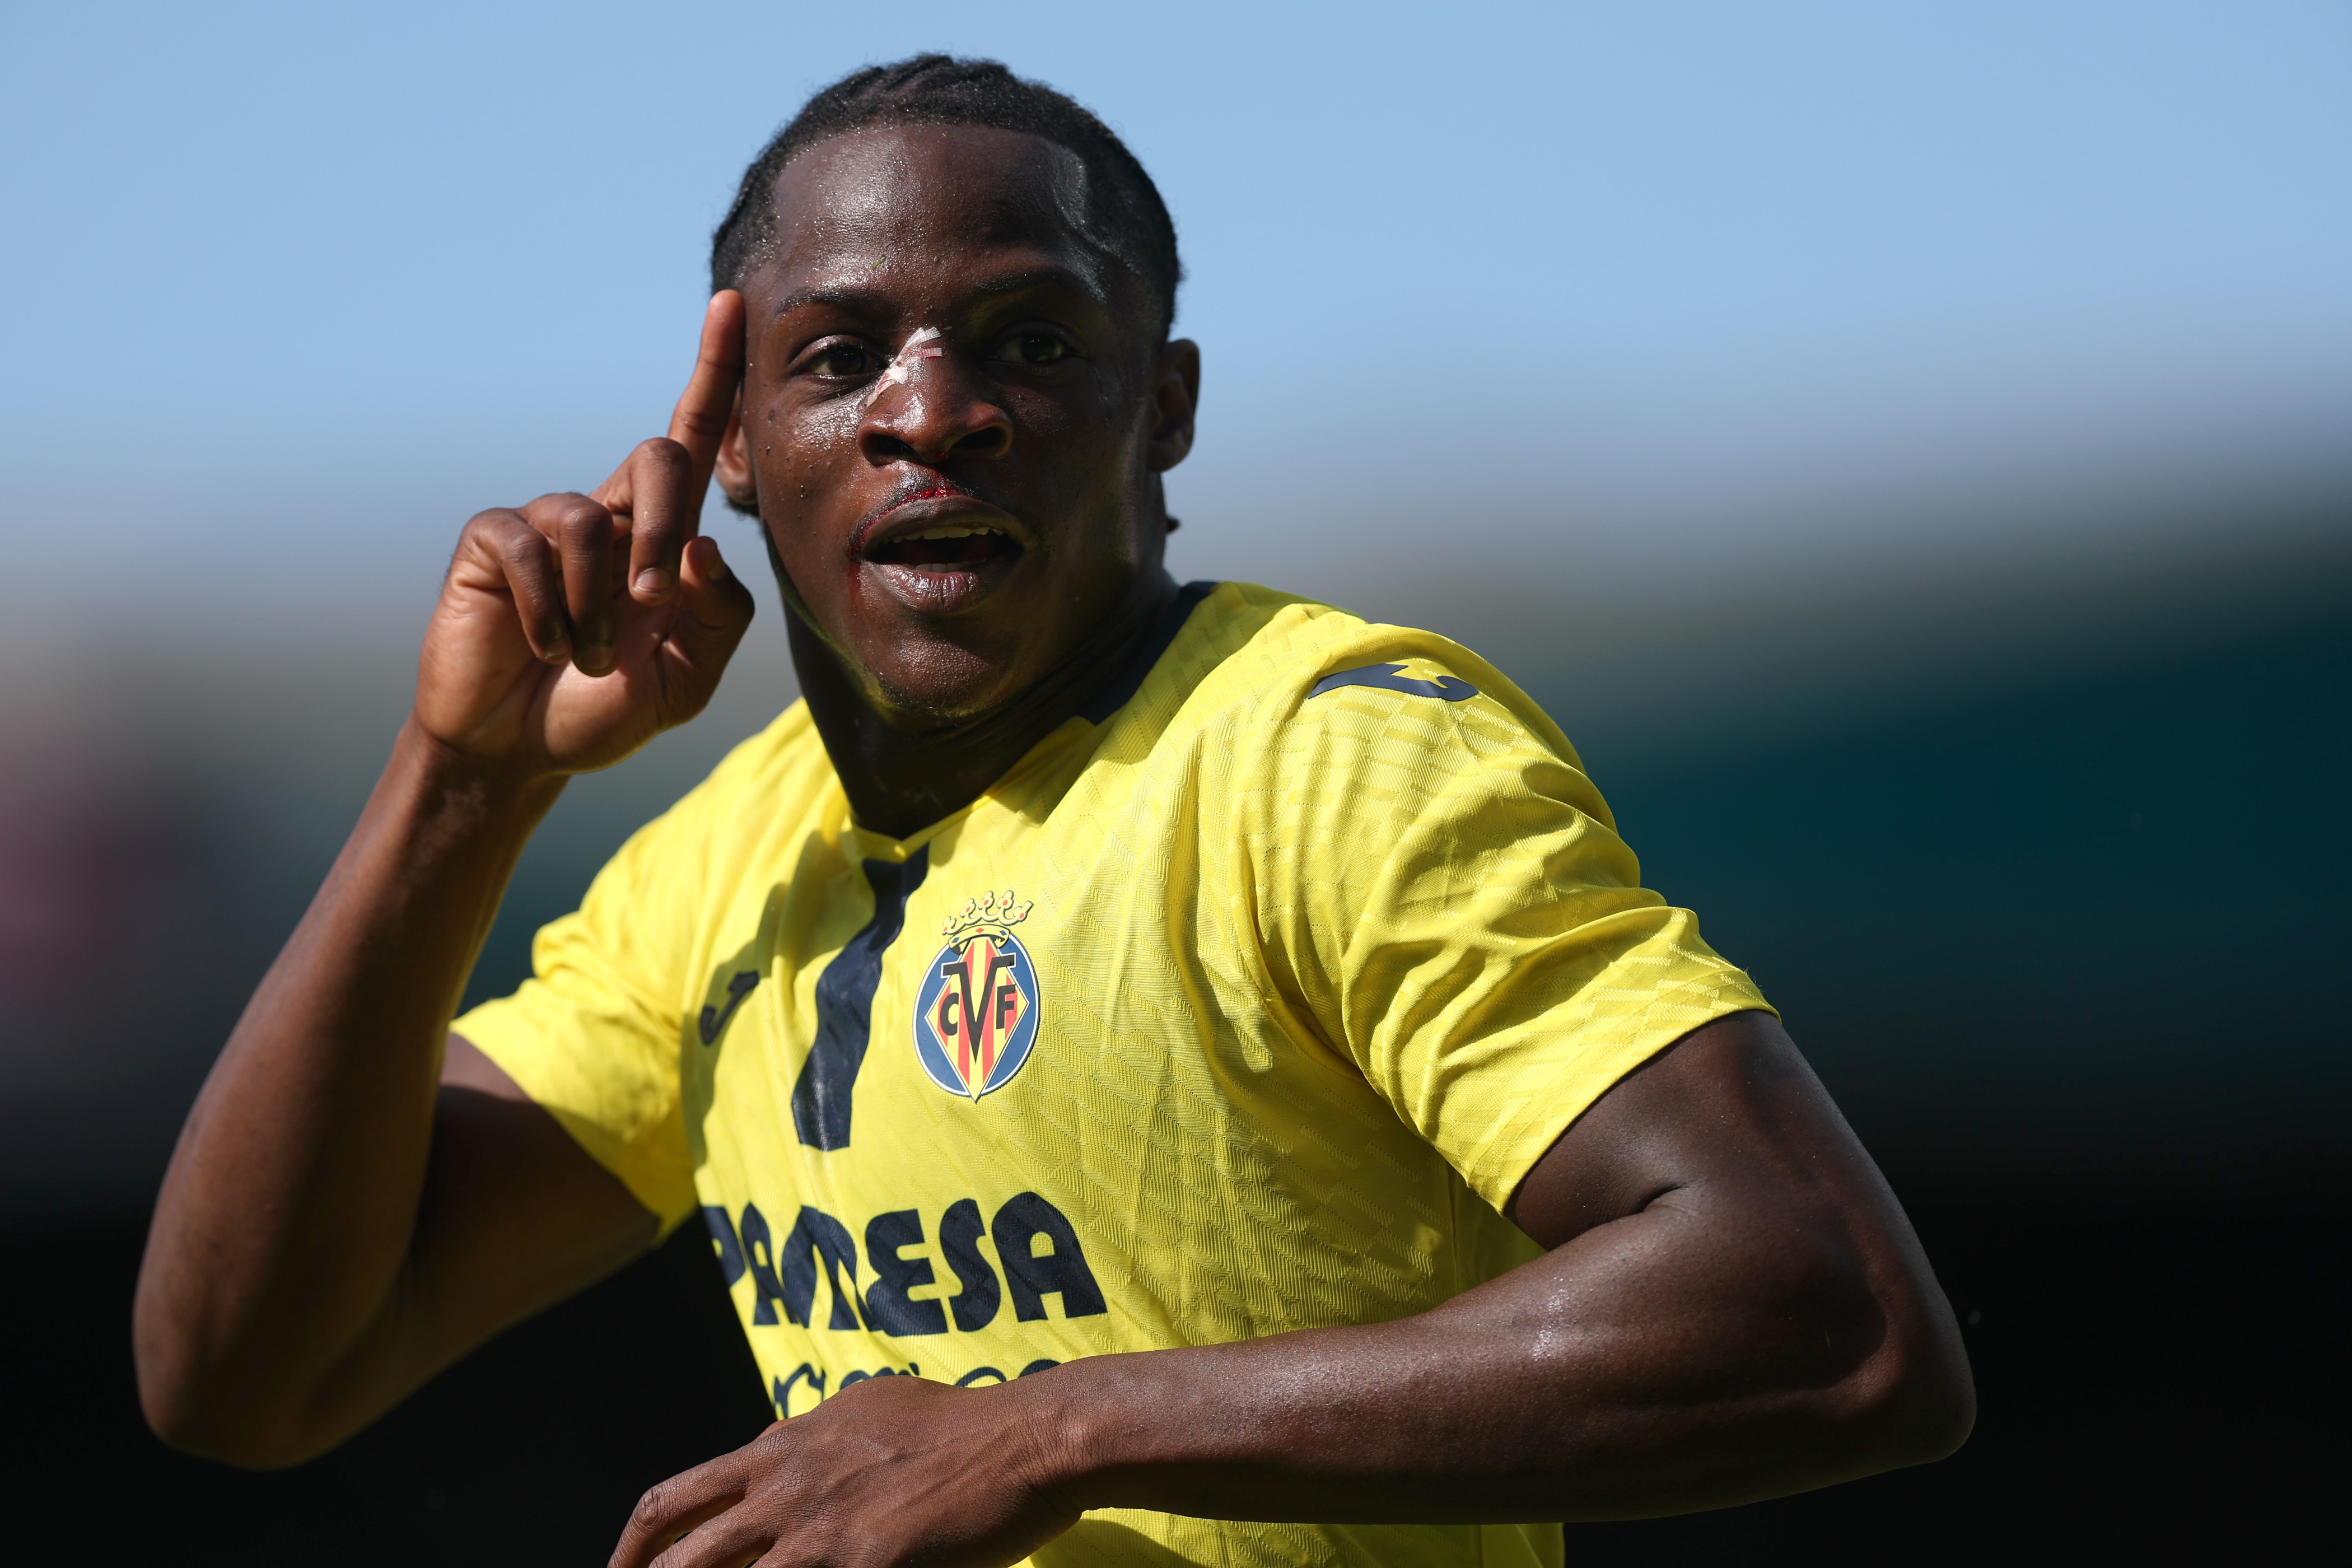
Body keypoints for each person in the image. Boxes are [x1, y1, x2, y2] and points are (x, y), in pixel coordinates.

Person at [134, 55, 1972, 1568]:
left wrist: (1048, 1430)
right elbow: (241, 1370)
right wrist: (465, 779)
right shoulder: (727, 862)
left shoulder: (1323, 761)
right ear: (741, 461)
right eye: (842, 359)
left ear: (1161, 407)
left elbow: (1833, 1314)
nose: (937, 414)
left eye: (1028, 341)